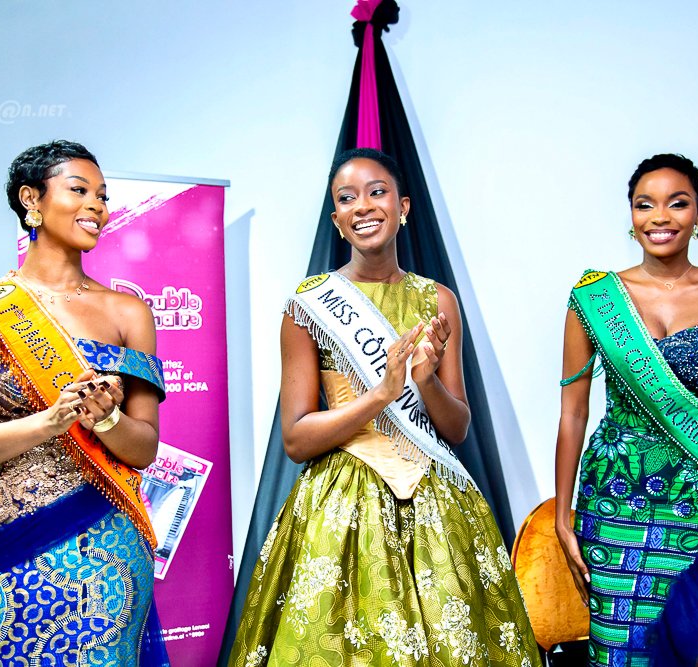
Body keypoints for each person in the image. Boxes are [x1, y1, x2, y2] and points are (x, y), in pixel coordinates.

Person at [228, 148, 542, 667]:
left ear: (403, 207)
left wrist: (425, 381)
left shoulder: (438, 300)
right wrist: (380, 395)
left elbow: (457, 428)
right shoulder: (309, 304)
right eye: (347, 198)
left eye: (377, 192)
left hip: (435, 500)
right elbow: (297, 438)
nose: (363, 206)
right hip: (341, 503)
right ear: (337, 220)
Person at [0, 140, 169, 665]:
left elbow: (145, 448)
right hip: (13, 546)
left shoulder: (129, 313)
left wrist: (106, 419)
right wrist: (49, 422)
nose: (96, 205)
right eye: (79, 190)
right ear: (31, 199)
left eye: (102, 195)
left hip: (109, 541)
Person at [554, 154, 698, 667]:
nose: (660, 217)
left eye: (677, 204)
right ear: (631, 215)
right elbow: (572, 413)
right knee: (618, 650)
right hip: (612, 501)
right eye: (645, 205)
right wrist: (561, 517)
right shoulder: (594, 297)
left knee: (696, 650)